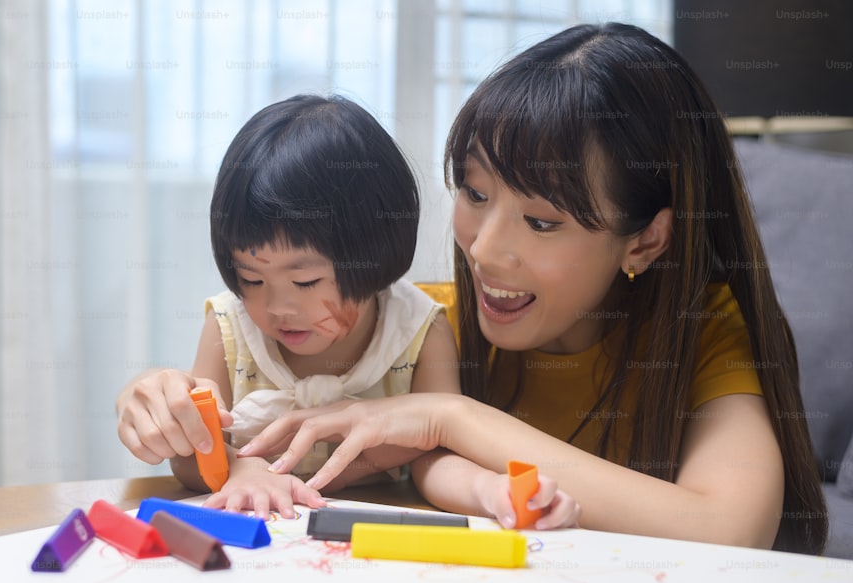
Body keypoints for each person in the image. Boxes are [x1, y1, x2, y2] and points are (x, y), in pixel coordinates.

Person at [237, 24, 829, 555]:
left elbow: (729, 528)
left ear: (646, 240)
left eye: (543, 222)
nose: (484, 250)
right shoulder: (424, 327)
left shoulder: (701, 333)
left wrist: (449, 417)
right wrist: (167, 401)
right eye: (474, 193)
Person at [115, 94, 581, 529]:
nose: (277, 307)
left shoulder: (419, 331)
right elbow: (194, 451)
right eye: (251, 280)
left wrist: (488, 489)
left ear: (372, 256)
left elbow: (433, 460)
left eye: (305, 282)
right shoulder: (229, 328)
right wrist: (241, 470)